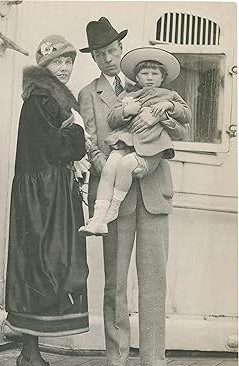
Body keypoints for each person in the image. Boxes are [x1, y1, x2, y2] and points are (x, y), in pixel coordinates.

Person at [78, 17, 188, 366]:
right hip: (116, 198)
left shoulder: (149, 83)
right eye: (100, 54)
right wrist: (111, 164)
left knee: (154, 280)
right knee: (115, 282)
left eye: (112, 51)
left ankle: (154, 363)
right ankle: (116, 360)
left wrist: (152, 151)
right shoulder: (88, 93)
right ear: (93, 58)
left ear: (121, 51)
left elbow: (179, 131)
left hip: (154, 191)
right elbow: (89, 143)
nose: (108, 58)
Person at [4, 35, 89, 366]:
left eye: (69, 61)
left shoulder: (50, 99)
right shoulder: (40, 99)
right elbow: (57, 146)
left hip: (50, 193)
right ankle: (29, 354)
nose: (66, 67)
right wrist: (78, 134)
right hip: (40, 198)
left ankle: (32, 353)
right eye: (58, 62)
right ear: (45, 68)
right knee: (39, 268)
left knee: (49, 266)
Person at [79, 47, 191, 236]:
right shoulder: (128, 95)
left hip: (151, 146)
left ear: (162, 77)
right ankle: (99, 218)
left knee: (124, 165)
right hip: (126, 141)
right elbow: (112, 118)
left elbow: (186, 115)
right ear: (136, 78)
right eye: (144, 73)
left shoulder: (169, 95)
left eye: (155, 74)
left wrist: (168, 108)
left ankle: (112, 209)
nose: (149, 78)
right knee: (110, 166)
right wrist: (126, 110)